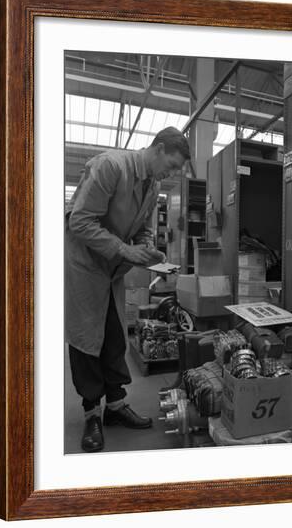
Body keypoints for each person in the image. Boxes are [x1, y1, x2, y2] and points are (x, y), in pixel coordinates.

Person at [65, 126, 191, 452]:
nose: (173, 172)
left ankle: (116, 406)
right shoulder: (110, 166)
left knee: (114, 335)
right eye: (173, 164)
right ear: (158, 148)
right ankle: (92, 412)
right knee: (86, 339)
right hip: (86, 266)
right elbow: (79, 221)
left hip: (112, 271)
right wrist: (124, 250)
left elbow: (144, 232)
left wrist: (148, 249)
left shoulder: (153, 185)